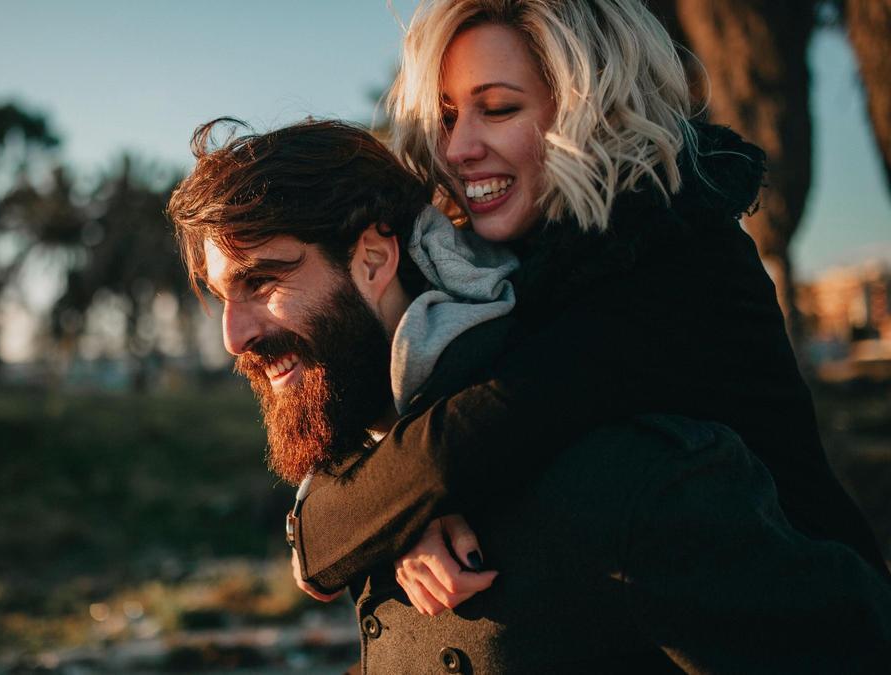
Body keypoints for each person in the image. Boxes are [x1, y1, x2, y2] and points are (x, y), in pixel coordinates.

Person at [166, 118, 891, 672]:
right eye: (223, 293)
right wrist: (381, 505)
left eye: (264, 280)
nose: (232, 335)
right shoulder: (374, 467)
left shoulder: (618, 475)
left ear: (376, 257)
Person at [283, 0, 891, 620]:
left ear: (592, 113)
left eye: (498, 109)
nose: (458, 147)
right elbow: (411, 444)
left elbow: (459, 442)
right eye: (444, 117)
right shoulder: (501, 264)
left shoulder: (674, 255)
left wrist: (395, 511)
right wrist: (401, 514)